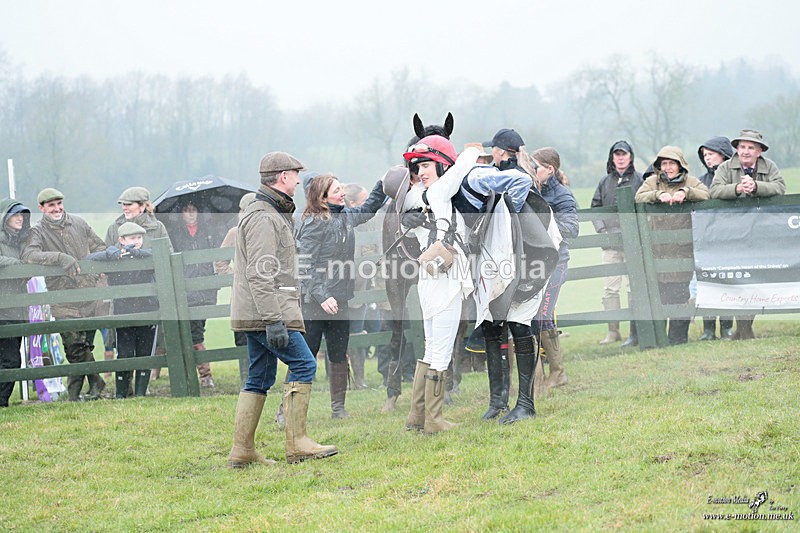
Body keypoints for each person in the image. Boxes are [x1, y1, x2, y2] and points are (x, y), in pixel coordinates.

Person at [228, 151, 337, 467]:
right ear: (283, 176)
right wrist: (274, 321)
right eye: (295, 174)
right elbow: (260, 273)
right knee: (304, 365)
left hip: (261, 311)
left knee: (259, 376)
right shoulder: (264, 216)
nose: (299, 180)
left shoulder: (271, 212)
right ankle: (298, 443)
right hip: (267, 312)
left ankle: (242, 451)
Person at [399, 135, 477, 434]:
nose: (422, 171)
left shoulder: (412, 196)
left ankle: (416, 417)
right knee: (441, 349)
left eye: (427, 164)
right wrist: (471, 151)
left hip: (428, 277)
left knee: (431, 347)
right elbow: (463, 166)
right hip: (445, 278)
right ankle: (434, 419)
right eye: (418, 166)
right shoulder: (440, 190)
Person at [297, 173, 386, 418]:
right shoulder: (314, 222)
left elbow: (368, 209)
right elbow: (304, 265)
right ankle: (287, 410)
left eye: (342, 188)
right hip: (315, 302)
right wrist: (322, 296)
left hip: (341, 298)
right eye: (337, 190)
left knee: (338, 353)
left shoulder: (344, 216)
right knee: (306, 356)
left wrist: (383, 183)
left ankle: (338, 408)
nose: (342, 193)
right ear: (323, 197)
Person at [22, 188, 108, 401]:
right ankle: (95, 381)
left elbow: (99, 246)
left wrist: (96, 265)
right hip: (62, 297)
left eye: (59, 203)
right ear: (41, 208)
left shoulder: (78, 223)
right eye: (51, 205)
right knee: (74, 345)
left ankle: (76, 393)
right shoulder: (38, 231)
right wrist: (60, 257)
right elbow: (30, 255)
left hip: (89, 292)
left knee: (85, 344)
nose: (57, 208)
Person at [709, 129, 786, 340]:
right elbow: (714, 190)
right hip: (733, 232)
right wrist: (737, 188)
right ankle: (743, 328)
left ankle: (745, 326)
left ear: (759, 151)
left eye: (751, 147)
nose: (745, 151)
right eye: (742, 147)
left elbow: (780, 187)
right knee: (738, 278)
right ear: (737, 149)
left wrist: (757, 186)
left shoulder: (769, 167)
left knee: (755, 279)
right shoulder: (725, 167)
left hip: (761, 232)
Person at [635, 146, 710, 345]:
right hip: (657, 250)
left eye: (671, 163)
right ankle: (660, 339)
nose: (667, 168)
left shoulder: (691, 181)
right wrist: (657, 195)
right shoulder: (652, 182)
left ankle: (678, 339)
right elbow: (638, 197)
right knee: (659, 296)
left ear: (680, 165)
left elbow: (706, 194)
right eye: (664, 164)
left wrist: (685, 192)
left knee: (680, 294)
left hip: (681, 250)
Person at [87, 222, 158, 398]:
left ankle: (141, 393)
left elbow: (162, 255)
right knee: (125, 353)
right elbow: (89, 259)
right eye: (133, 238)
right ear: (121, 240)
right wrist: (109, 253)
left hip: (147, 310)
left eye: (140, 238)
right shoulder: (115, 258)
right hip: (123, 311)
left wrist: (139, 253)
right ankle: (121, 394)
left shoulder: (147, 256)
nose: (137, 241)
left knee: (144, 353)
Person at [529, 147, 578, 388]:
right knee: (532, 316)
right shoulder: (529, 191)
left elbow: (572, 228)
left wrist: (544, 221)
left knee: (543, 316)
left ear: (550, 169)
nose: (531, 171)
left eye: (535, 167)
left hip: (556, 263)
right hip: (534, 264)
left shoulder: (563, 196)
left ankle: (558, 373)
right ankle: (538, 376)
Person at [591, 140, 644, 347]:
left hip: (633, 243)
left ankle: (635, 329)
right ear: (612, 158)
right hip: (611, 244)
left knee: (634, 287)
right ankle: (613, 331)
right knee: (610, 289)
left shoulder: (640, 180)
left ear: (631, 157)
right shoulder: (604, 182)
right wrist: (603, 230)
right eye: (617, 154)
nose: (621, 158)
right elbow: (595, 208)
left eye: (624, 154)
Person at [170, 201, 221, 388]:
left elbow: (218, 254)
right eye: (186, 210)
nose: (190, 214)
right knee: (195, 331)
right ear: (182, 214)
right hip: (187, 287)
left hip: (207, 287)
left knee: (199, 326)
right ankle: (205, 374)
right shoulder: (176, 234)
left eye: (193, 210)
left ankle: (196, 370)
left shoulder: (209, 232)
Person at [216, 192, 257, 385]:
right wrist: (237, 275)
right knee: (242, 338)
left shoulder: (265, 229)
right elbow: (220, 262)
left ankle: (261, 376)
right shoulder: (234, 232)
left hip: (264, 295)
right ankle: (246, 380)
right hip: (242, 296)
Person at [695, 137, 735, 340]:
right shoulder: (702, 180)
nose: (707, 158)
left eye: (711, 154)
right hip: (707, 240)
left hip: (729, 239)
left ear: (723, 154)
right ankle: (708, 329)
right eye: (705, 155)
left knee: (726, 281)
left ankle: (727, 327)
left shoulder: (733, 176)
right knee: (707, 283)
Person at [0, 199, 31, 407]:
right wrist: (17, 266)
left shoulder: (22, 242)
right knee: (9, 359)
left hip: (17, 309)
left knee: (12, 358)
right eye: (15, 214)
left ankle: (2, 401)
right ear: (5, 217)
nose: (20, 218)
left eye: (22, 215)